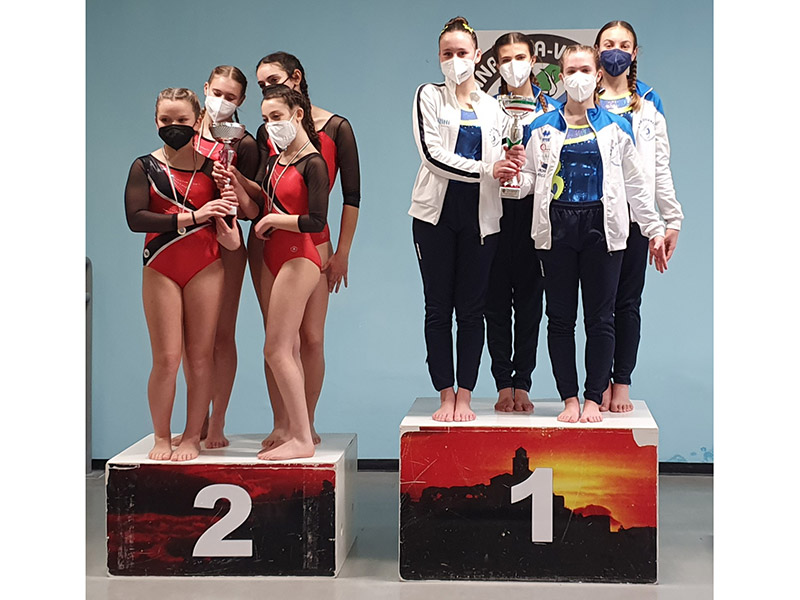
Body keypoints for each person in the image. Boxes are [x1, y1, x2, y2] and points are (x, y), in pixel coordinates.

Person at [519, 45, 667, 423]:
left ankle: (592, 398)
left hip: (603, 227)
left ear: (598, 74)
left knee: (601, 319)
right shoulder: (541, 126)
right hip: (557, 227)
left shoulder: (617, 127)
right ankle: (569, 399)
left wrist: (654, 229)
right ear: (561, 76)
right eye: (571, 70)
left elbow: (636, 185)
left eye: (585, 69)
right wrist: (507, 176)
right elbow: (527, 180)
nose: (578, 77)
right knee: (560, 318)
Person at [233, 51, 360, 449]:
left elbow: (351, 196)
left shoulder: (335, 128)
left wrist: (342, 252)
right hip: (268, 242)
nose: (266, 89)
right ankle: (283, 424)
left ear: (296, 78)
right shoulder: (268, 131)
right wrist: (232, 177)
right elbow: (262, 190)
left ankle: (306, 424)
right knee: (277, 339)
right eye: (261, 85)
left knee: (311, 339)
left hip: (312, 242)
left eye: (273, 81)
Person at [411, 16, 521, 422]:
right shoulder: (428, 96)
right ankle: (445, 394)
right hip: (435, 216)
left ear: (477, 55)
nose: (455, 60)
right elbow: (432, 156)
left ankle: (466, 395)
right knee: (438, 308)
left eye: (462, 52)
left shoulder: (493, 107)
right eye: (447, 53)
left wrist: (510, 162)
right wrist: (487, 170)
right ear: (439, 57)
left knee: (473, 310)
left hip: (481, 218)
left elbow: (503, 157)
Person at [124, 88, 241, 461]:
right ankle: (162, 437)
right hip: (162, 266)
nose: (173, 126)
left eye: (181, 120)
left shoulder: (213, 169)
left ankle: (192, 436)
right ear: (155, 121)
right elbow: (136, 218)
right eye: (165, 120)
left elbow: (231, 232)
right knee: (167, 358)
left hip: (205, 266)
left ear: (198, 121)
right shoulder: (144, 166)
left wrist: (227, 220)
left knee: (201, 356)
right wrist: (194, 216)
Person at [225, 84, 329, 460]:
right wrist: (236, 180)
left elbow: (315, 220)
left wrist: (273, 220)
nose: (271, 125)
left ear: (298, 115)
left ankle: (303, 436)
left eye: (277, 117)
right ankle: (292, 430)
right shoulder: (275, 160)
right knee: (286, 349)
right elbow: (260, 200)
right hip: (272, 256)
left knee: (277, 348)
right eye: (266, 119)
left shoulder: (313, 162)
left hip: (300, 258)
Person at [594, 21, 684, 413]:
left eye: (623, 44)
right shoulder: (582, 98)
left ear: (634, 53)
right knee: (597, 308)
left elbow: (659, 166)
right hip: (593, 217)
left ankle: (622, 383)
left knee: (627, 304)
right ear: (596, 51)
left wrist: (671, 219)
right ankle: (596, 385)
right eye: (608, 44)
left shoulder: (648, 102)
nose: (615, 50)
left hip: (637, 219)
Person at [184, 65, 260, 449]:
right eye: (217, 93)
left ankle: (217, 422)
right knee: (191, 340)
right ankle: (195, 421)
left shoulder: (244, 144)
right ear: (205, 88)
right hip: (187, 242)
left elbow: (250, 210)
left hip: (228, 242)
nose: (222, 101)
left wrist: (232, 182)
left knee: (221, 336)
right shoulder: (184, 133)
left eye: (230, 97)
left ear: (241, 100)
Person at [486, 32, 562, 414]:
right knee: (495, 301)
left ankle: (524, 383)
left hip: (535, 215)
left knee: (531, 302)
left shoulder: (553, 112)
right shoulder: (487, 110)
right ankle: (503, 383)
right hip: (495, 213)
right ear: (497, 65)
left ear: (533, 61)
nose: (513, 65)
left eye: (520, 57)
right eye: (505, 59)